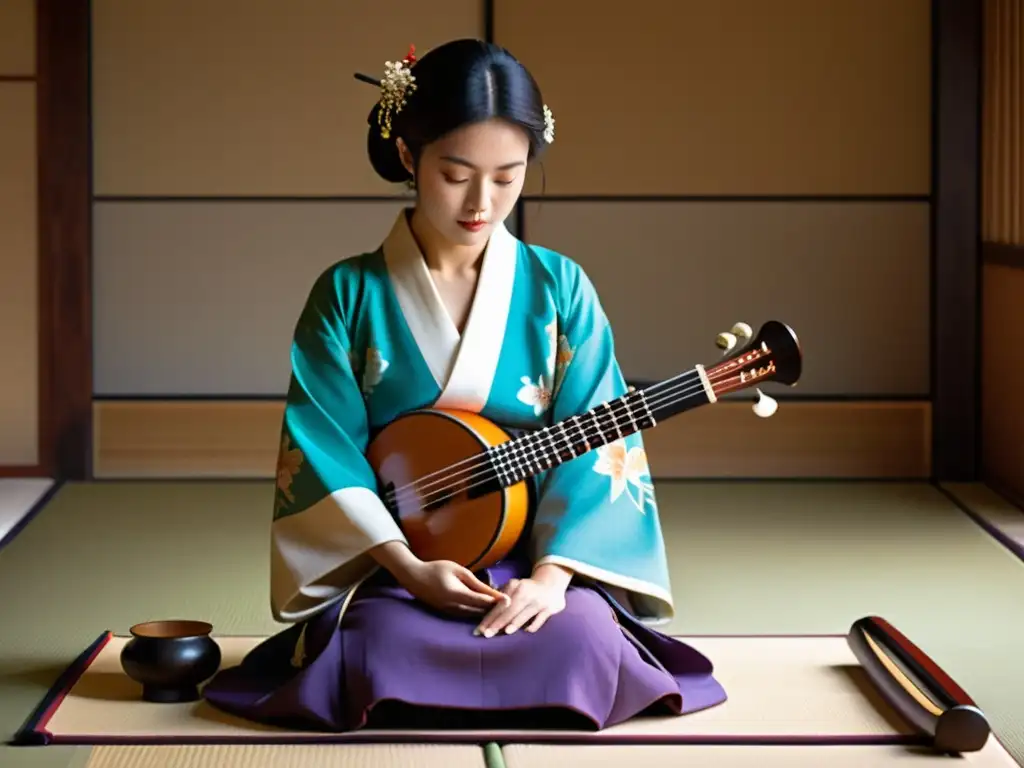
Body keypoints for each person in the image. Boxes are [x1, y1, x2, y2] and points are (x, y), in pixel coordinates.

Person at [201, 38, 727, 733]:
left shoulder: (558, 287)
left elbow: (603, 441)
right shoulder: (347, 293)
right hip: (401, 562)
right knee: (378, 644)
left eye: (508, 177)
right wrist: (412, 569)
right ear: (406, 157)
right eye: (456, 174)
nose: (483, 202)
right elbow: (322, 448)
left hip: (535, 557)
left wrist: (550, 580)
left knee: (583, 639)